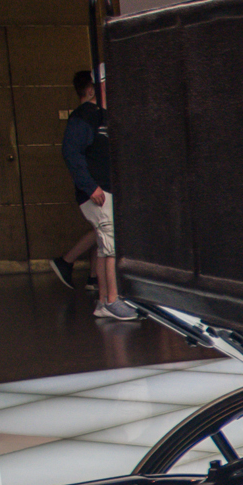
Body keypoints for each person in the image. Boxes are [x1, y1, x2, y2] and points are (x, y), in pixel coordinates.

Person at [63, 69, 137, 321]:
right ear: (96, 88)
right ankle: (112, 300)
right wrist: (90, 186)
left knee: (108, 247)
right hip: (98, 192)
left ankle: (106, 301)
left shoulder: (101, 116)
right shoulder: (85, 117)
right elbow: (71, 153)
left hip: (104, 190)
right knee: (111, 245)